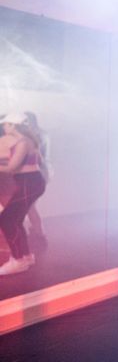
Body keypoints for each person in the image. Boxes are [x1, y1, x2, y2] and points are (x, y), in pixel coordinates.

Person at [0, 113, 46, 275]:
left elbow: (12, 167)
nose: (4, 127)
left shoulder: (22, 142)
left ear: (14, 125)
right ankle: (25, 257)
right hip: (31, 182)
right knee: (15, 220)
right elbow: (37, 162)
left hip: (28, 183)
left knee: (6, 219)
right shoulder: (28, 141)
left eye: (6, 124)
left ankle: (18, 260)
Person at [23, 112, 49, 248]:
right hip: (42, 172)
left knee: (29, 205)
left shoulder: (32, 136)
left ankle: (39, 232)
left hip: (34, 172)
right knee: (30, 205)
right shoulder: (42, 133)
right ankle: (36, 231)